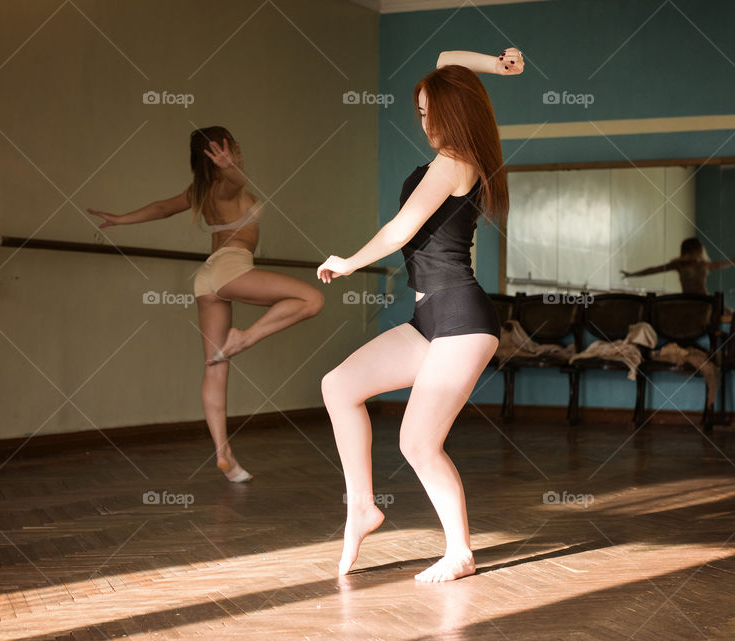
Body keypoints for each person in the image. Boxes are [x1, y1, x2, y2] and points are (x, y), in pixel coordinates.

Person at [317, 48, 523, 582]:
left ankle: (460, 552)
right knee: (338, 386)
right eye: (421, 112)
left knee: (417, 442)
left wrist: (348, 262)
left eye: (432, 112)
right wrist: (497, 65)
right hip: (430, 318)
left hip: (462, 319)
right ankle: (361, 507)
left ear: (456, 112)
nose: (425, 122)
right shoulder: (450, 160)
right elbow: (446, 57)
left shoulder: (454, 161)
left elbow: (400, 231)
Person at [89, 126, 324, 482]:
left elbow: (161, 209)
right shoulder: (227, 185)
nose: (238, 147)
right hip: (232, 267)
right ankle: (244, 338)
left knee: (215, 366)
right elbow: (237, 180)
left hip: (207, 277)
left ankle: (223, 454)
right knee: (312, 298)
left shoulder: (198, 191)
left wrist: (121, 219)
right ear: (223, 149)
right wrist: (232, 168)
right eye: (233, 143)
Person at [621, 237, 735, 313]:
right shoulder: (679, 264)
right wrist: (631, 274)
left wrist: (732, 262)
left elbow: (720, 264)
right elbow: (654, 270)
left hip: (704, 298)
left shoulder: (703, 264)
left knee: (730, 313)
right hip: (688, 299)